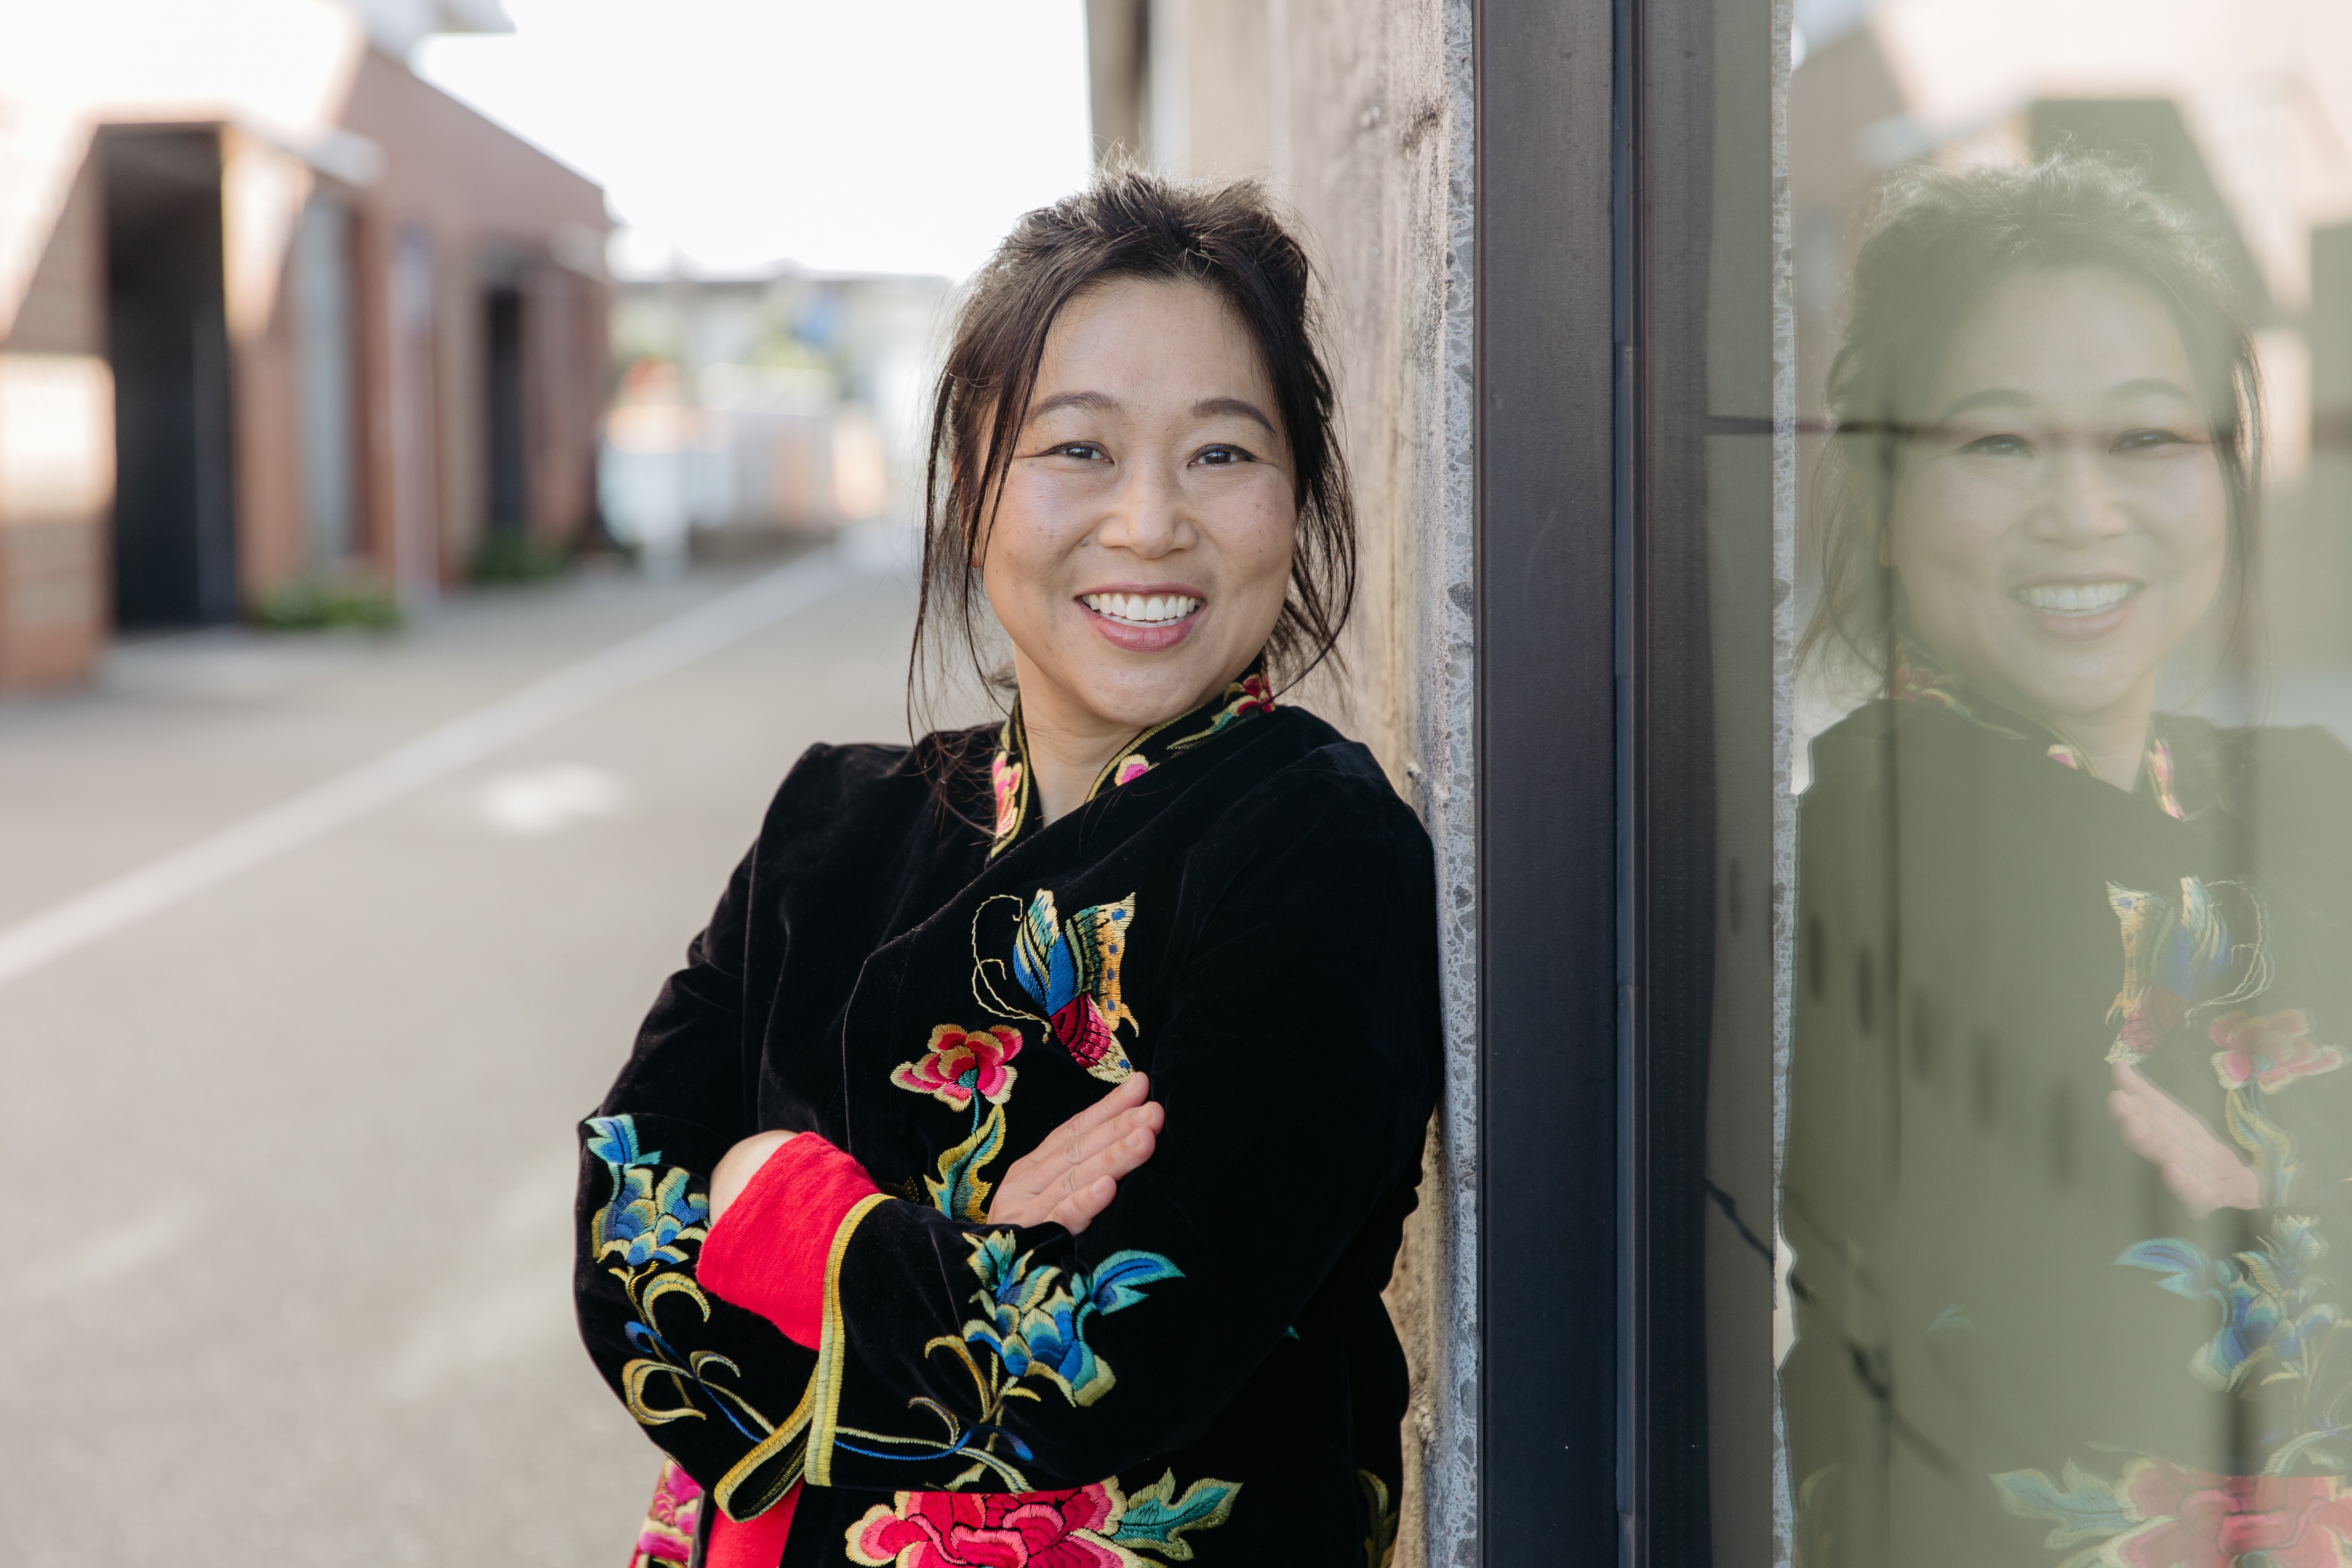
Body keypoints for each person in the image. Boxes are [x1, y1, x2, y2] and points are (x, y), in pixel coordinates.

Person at [574, 172, 1442, 1568]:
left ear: (1301, 489)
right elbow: (624, 1234)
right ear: (973, 482)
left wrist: (782, 1202)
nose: (1150, 522)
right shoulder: (828, 826)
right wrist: (970, 1242)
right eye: (1077, 450)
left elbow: (1101, 1357)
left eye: (1221, 453)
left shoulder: (1316, 854)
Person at [1783, 156, 2352, 1565]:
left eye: (2145, 440)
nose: (2083, 511)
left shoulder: (2296, 793)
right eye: (1999, 445)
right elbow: (2080, 1318)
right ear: (1889, 496)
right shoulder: (1890, 840)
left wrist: (2257, 1211)